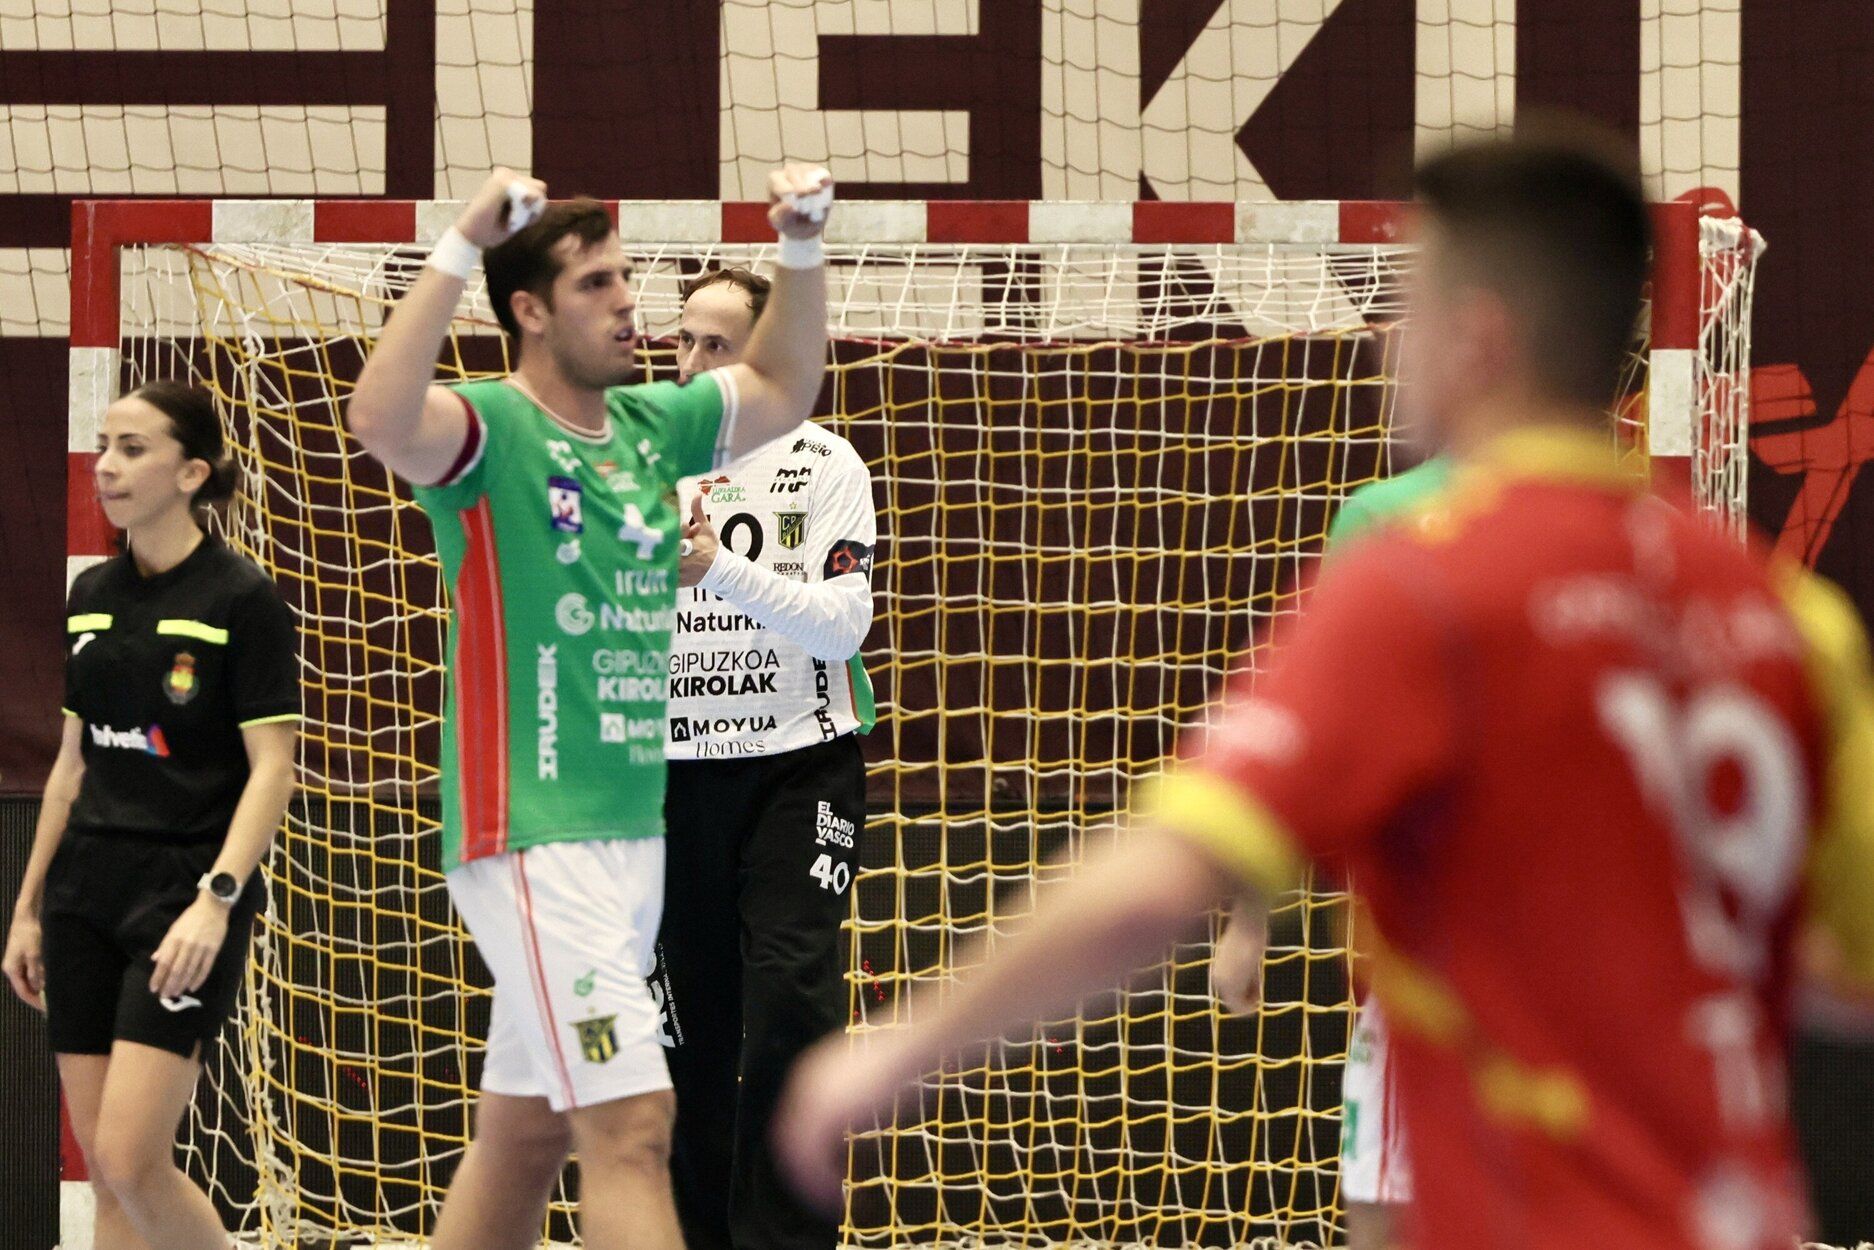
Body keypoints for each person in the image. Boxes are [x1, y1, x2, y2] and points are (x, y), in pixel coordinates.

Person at [775, 130, 1874, 1250]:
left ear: (1478, 337)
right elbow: (1844, 965)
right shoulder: (1790, 618)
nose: (1389, 349)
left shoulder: (1431, 585)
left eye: (1413, 313)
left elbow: (1152, 884)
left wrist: (889, 1055)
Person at [344, 164, 836, 1250]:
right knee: (632, 1127)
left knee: (522, 1138)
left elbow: (784, 386)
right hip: (531, 838)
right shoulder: (486, 435)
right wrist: (460, 242)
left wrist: (799, 245)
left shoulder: (650, 428)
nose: (628, 303)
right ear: (529, 309)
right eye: (597, 283)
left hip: (627, 840)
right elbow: (377, 413)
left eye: (626, 279)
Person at [3, 380, 299, 1250]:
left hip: (181, 898)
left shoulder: (242, 599)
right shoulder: (90, 593)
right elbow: (69, 765)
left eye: (134, 448)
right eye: (105, 445)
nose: (108, 466)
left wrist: (216, 898)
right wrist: (26, 908)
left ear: (191, 471)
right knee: (106, 1173)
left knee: (134, 1159)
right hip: (83, 893)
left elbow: (273, 768)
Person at [650, 265, 877, 1250]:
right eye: (682, 342)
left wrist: (714, 569)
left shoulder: (824, 463)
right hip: (666, 778)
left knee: (789, 999)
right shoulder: (639, 463)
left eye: (716, 344)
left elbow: (841, 626)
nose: (692, 361)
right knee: (688, 1031)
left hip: (798, 770)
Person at [1215, 455, 1454, 1250]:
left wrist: (1247, 921)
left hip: (1437, 968)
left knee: (1388, 1214)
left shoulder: (1387, 518)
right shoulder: (1650, 523)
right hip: (1578, 984)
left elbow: (1305, 742)